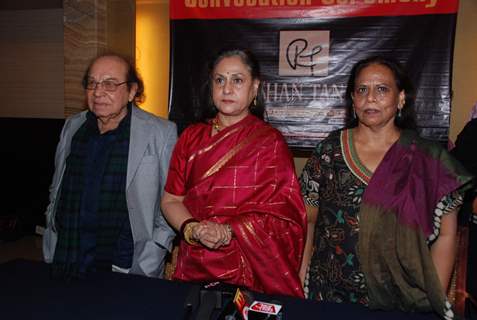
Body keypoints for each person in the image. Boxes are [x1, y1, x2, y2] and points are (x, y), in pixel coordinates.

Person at [299, 56, 472, 318]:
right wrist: (301, 275)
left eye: (382, 89)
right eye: (362, 90)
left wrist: (433, 299)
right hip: (329, 297)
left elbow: (447, 236)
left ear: (400, 98)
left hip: (402, 300)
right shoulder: (330, 151)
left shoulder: (428, 160)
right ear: (353, 99)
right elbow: (307, 218)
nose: (370, 98)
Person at [161, 48, 306, 297]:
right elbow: (171, 200)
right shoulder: (190, 137)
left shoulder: (270, 143)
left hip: (248, 269)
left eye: (237, 80)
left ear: (254, 87)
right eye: (220, 80)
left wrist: (231, 230)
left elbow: (286, 217)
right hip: (193, 263)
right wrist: (192, 229)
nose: (227, 89)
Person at [42, 53, 177, 278]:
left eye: (110, 84)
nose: (98, 92)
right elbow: (56, 188)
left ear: (132, 91)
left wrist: (155, 250)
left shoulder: (160, 133)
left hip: (125, 262)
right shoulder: (73, 127)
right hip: (68, 254)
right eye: (92, 83)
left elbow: (170, 200)